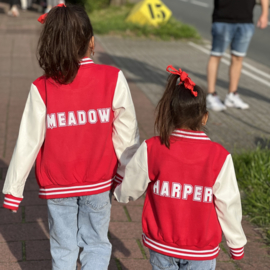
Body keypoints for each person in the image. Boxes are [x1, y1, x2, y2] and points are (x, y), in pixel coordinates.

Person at [2, 4, 139, 270]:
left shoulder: (42, 87)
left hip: (58, 183)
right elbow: (127, 131)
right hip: (99, 180)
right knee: (96, 243)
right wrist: (126, 174)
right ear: (91, 42)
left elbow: (28, 141)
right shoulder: (112, 77)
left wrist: (14, 190)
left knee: (63, 246)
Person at [114, 66, 247, 270]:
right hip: (200, 250)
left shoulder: (153, 147)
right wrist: (236, 244)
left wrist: (120, 194)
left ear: (171, 114)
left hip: (161, 245)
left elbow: (133, 182)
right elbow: (228, 203)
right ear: (205, 117)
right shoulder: (219, 156)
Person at [207, 0, 269, 111]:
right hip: (223, 18)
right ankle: (211, 95)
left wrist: (264, 14)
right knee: (216, 56)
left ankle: (232, 95)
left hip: (246, 20)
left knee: (238, 58)